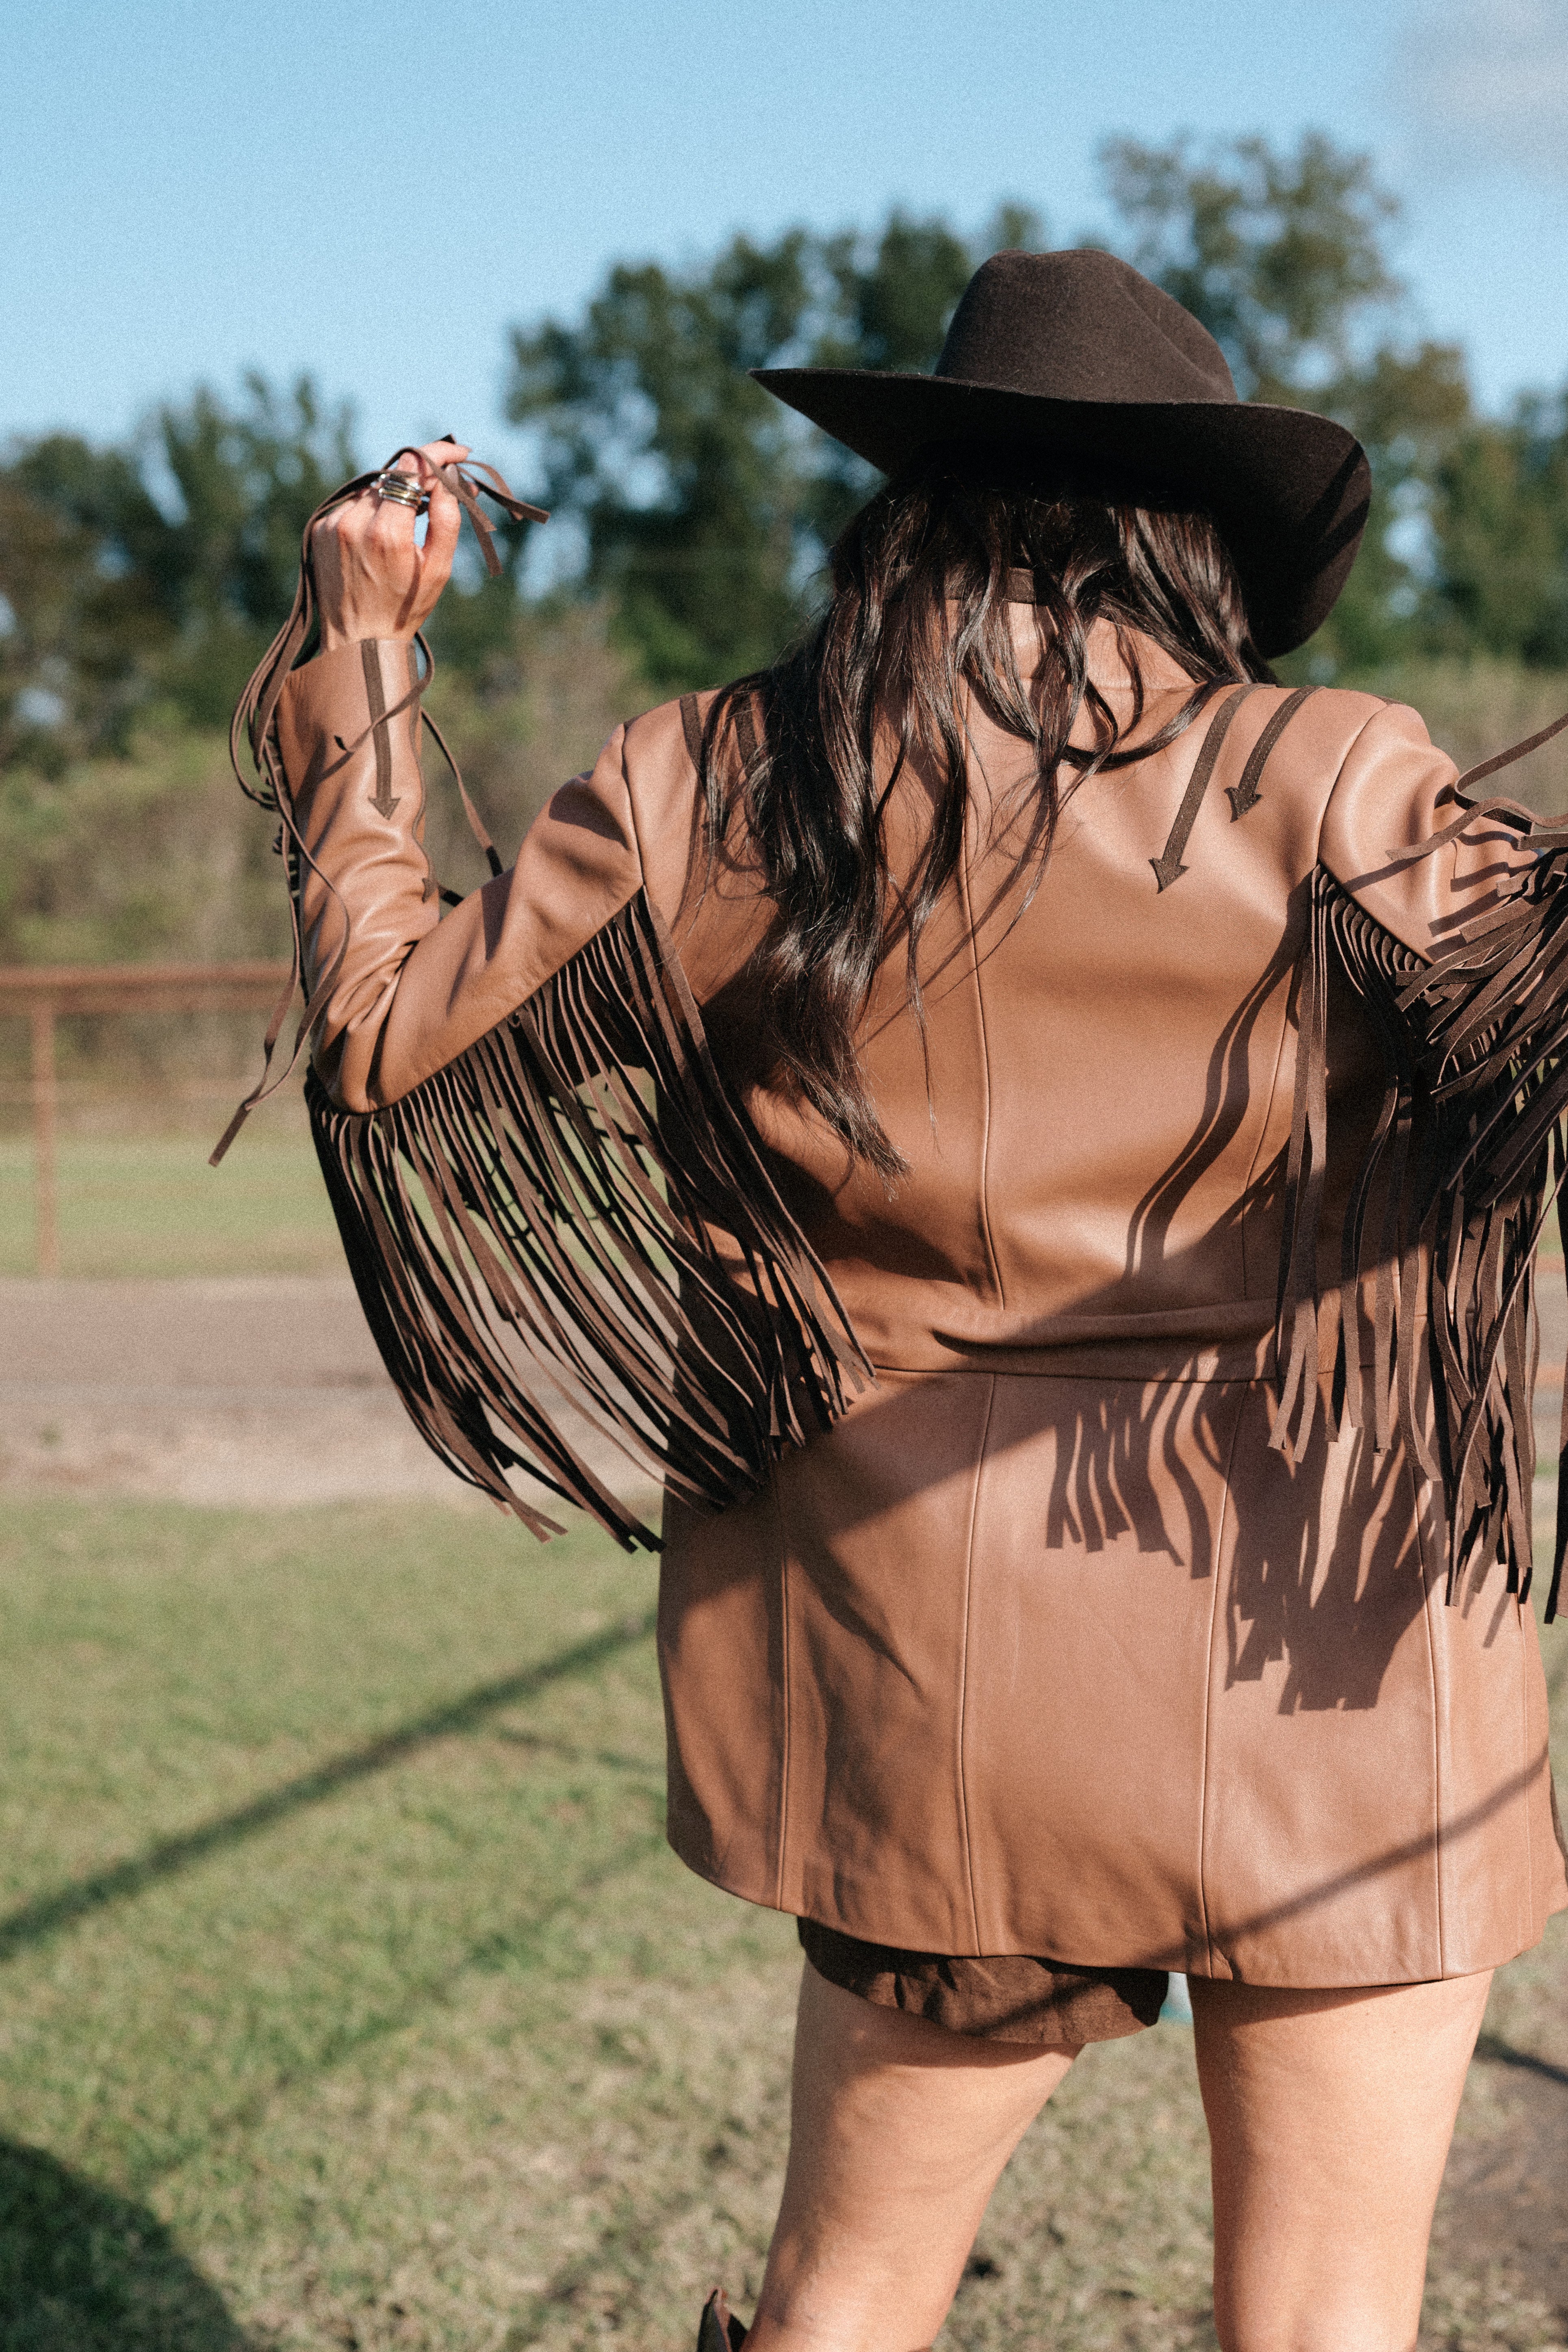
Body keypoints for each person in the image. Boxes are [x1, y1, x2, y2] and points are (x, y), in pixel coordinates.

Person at [226, 250, 1568, 2352]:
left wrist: (356, 668)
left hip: (931, 1697)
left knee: (842, 2299)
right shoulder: (1334, 777)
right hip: (1339, 1666)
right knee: (1326, 2326)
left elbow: (390, 1041)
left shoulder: (721, 784)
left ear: (905, 502)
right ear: (1193, 544)